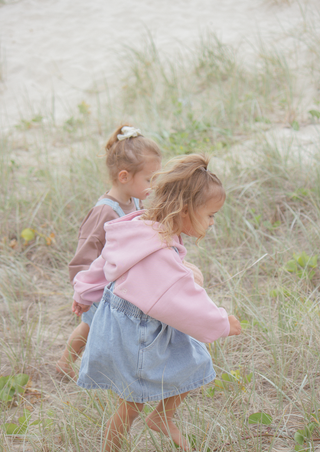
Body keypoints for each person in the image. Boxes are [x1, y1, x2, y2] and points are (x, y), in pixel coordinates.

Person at [72, 154, 241, 451]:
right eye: (211, 215)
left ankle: (162, 416)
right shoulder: (159, 255)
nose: (213, 222)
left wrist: (84, 291)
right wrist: (221, 322)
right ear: (185, 210)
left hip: (127, 321)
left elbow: (105, 260)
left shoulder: (138, 226)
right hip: (138, 332)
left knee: (196, 363)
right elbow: (183, 300)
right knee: (132, 403)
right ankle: (112, 446)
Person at [56, 125, 162, 378]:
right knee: (90, 325)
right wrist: (84, 291)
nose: (154, 186)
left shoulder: (136, 200)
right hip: (100, 285)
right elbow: (83, 255)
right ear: (124, 176)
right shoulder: (105, 211)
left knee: (100, 327)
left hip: (121, 282)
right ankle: (65, 363)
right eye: (150, 179)